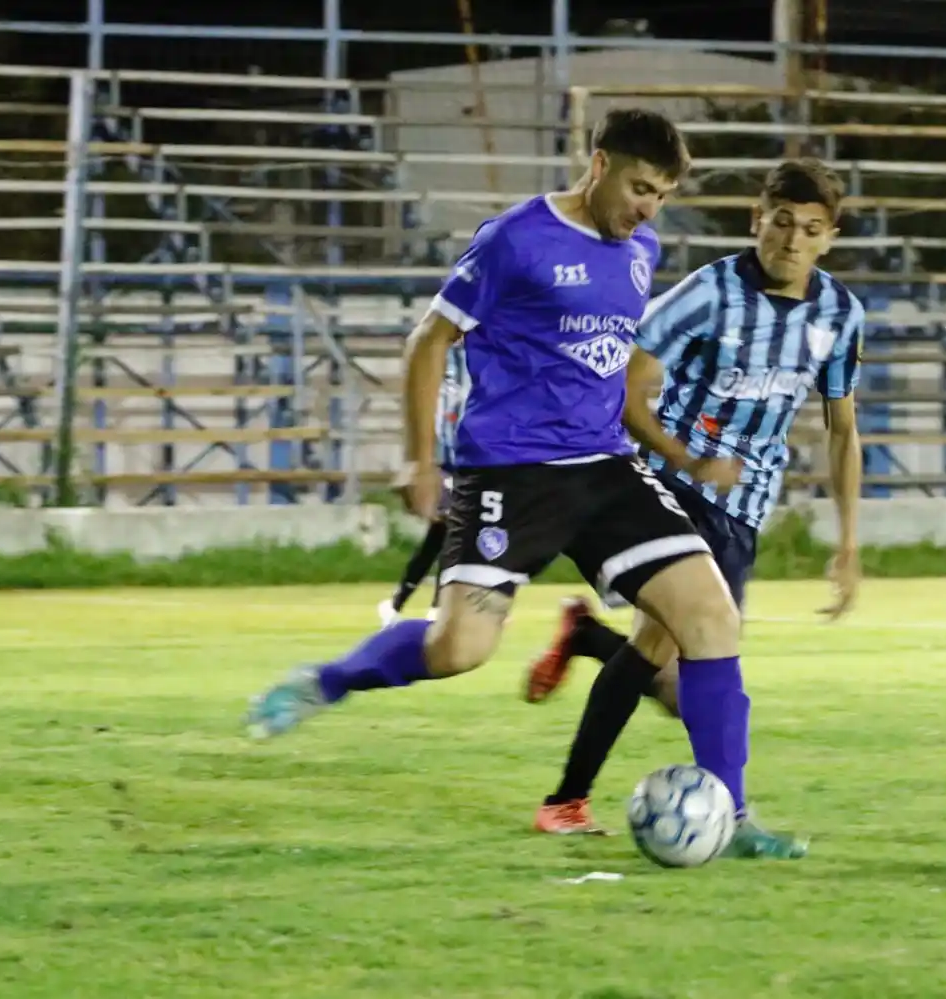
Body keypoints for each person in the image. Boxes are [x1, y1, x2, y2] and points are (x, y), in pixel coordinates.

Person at [243, 108, 803, 857]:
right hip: (512, 472)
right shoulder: (516, 239)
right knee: (458, 649)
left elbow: (614, 362)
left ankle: (730, 814)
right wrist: (420, 459)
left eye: (663, 196)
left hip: (604, 468)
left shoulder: (640, 249)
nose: (649, 210)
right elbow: (429, 340)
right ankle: (329, 680)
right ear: (599, 165)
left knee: (710, 617)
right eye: (640, 188)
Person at [522, 160, 865, 851]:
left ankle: (579, 712)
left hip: (744, 507)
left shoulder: (839, 315)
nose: (792, 240)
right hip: (671, 490)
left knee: (670, 667)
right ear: (757, 220)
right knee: (696, 652)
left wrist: (849, 544)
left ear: (829, 238)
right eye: (781, 222)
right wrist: (687, 461)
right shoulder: (710, 293)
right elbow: (627, 388)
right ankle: (717, 814)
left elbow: (842, 429)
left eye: (811, 229)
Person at [377, 345, 468, 627]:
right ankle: (437, 606)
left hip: (465, 459)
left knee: (441, 535)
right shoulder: (451, 365)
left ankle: (397, 603)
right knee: (453, 530)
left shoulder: (470, 363)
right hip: (451, 460)